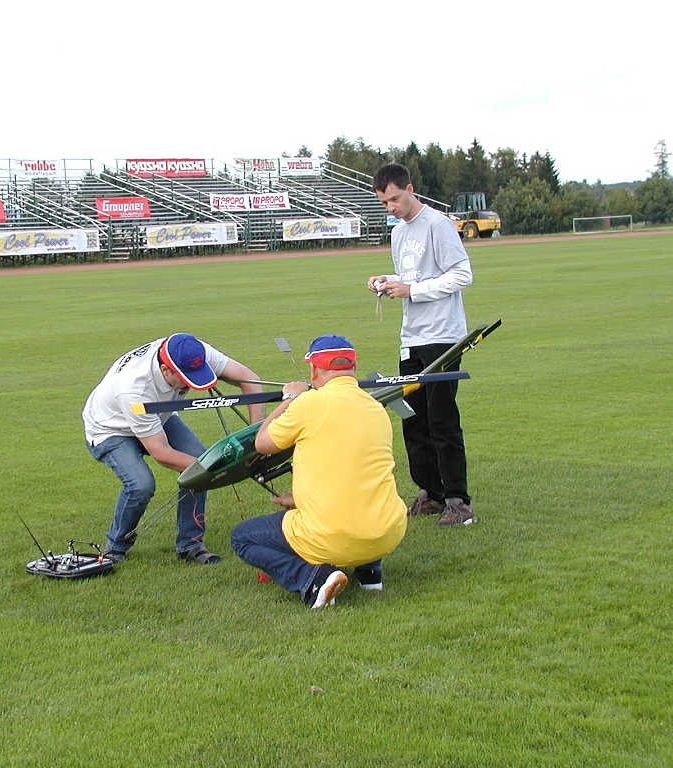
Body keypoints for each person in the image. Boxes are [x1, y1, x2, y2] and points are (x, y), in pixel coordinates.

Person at [230, 335, 407, 609]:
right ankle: (370, 573)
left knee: (241, 537)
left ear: (314, 370)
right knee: (366, 494)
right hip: (387, 532)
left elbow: (261, 443)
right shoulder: (375, 408)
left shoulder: (307, 404)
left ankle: (313, 579)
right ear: (354, 366)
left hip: (333, 537)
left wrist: (289, 399)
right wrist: (301, 498)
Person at [83, 334, 264, 564]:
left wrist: (259, 437)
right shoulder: (133, 388)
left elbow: (249, 379)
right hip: (110, 428)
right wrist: (214, 470)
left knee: (198, 462)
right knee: (141, 485)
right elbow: (161, 452)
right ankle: (115, 548)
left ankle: (190, 545)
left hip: (156, 417)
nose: (191, 385)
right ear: (166, 370)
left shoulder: (190, 352)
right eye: (186, 379)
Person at [367, 162, 476, 527]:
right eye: (384, 203)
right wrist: (389, 281)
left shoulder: (438, 225)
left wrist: (412, 289)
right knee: (413, 420)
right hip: (410, 339)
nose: (391, 208)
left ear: (410, 189)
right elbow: (413, 277)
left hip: (442, 337)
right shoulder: (398, 233)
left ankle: (458, 501)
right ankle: (429, 493)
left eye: (395, 199)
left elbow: (462, 274)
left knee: (442, 420)